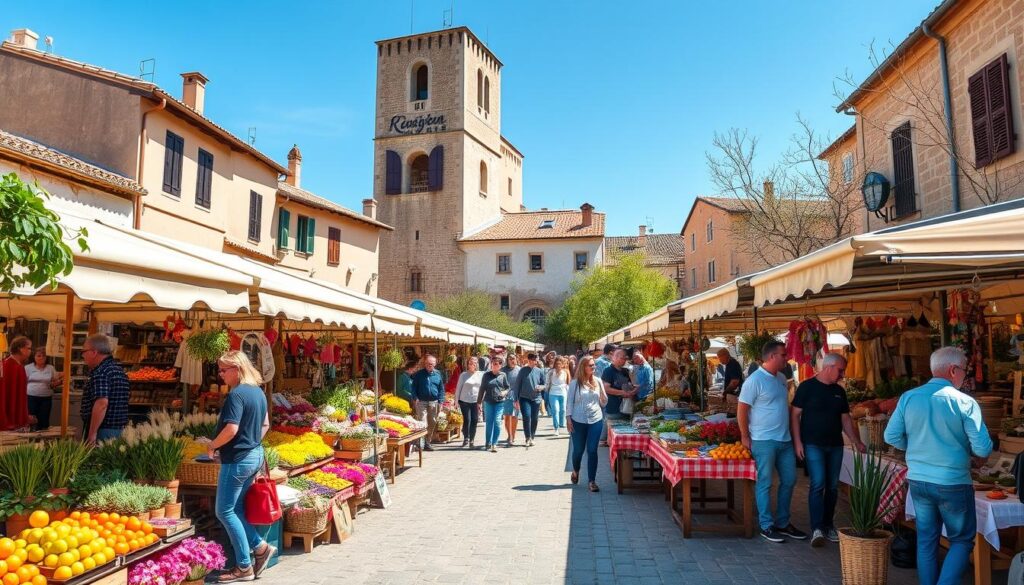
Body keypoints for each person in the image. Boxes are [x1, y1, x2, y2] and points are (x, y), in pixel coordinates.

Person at [884, 347, 992, 585]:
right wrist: (971, 455)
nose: (966, 376)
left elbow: (890, 437)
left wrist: (915, 447)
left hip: (919, 481)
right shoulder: (965, 401)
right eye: (965, 370)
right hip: (952, 482)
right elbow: (983, 449)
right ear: (953, 370)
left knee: (926, 540)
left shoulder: (909, 397)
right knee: (962, 541)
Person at [207, 350, 275, 582]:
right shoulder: (258, 392)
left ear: (237, 369)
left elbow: (231, 429)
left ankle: (244, 566)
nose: (220, 375)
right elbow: (265, 424)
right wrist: (252, 440)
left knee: (224, 511)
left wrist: (212, 446)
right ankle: (261, 548)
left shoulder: (236, 395)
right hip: (254, 454)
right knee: (235, 510)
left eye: (224, 370)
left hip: (237, 460)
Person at [791, 352, 865, 547]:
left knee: (832, 486)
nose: (842, 374)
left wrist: (856, 441)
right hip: (813, 444)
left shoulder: (839, 391)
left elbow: (845, 419)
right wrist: (797, 443)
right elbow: (795, 415)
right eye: (840, 370)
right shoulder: (806, 387)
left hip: (835, 445)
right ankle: (817, 527)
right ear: (829, 367)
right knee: (818, 483)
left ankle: (828, 524)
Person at [738, 340, 806, 543]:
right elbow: (742, 409)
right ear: (771, 357)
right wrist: (744, 436)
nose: (787, 358)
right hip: (763, 440)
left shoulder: (782, 379)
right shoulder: (754, 380)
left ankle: (783, 523)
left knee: (789, 480)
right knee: (765, 482)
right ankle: (766, 525)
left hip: (784, 439)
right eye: (783, 355)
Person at [567, 356, 608, 492]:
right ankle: (576, 471)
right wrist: (568, 419)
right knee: (578, 450)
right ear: (583, 367)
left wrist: (603, 397)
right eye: (590, 365)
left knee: (592, 450)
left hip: (595, 419)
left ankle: (592, 481)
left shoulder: (598, 381)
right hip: (578, 420)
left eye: (594, 365)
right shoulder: (575, 383)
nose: (593, 367)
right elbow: (569, 402)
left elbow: (603, 402)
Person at [81, 334, 129, 444]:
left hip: (102, 431)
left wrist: (92, 433)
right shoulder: (118, 370)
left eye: (84, 352)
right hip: (119, 430)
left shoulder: (101, 372)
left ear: (94, 352)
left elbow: (102, 403)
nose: (83, 356)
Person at [599, 348, 635, 446]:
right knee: (613, 435)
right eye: (621, 358)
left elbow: (629, 385)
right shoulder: (608, 371)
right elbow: (606, 389)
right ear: (614, 358)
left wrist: (632, 389)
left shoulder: (625, 371)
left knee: (624, 436)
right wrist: (623, 393)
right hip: (613, 408)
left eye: (625, 358)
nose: (624, 360)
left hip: (626, 408)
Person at [412, 355, 445, 451]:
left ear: (435, 364)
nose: (429, 365)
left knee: (432, 422)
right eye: (427, 364)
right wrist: (415, 398)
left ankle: (427, 442)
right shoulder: (419, 374)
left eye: (431, 364)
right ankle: (420, 443)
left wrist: (441, 401)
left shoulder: (438, 374)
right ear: (425, 364)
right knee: (422, 422)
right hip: (421, 401)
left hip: (434, 402)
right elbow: (413, 387)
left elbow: (441, 389)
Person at [478, 355, 511, 452]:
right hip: (488, 402)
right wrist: (478, 402)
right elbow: (482, 389)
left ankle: (494, 443)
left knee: (497, 422)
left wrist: (505, 392)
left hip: (499, 402)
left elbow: (508, 387)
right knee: (489, 423)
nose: (494, 365)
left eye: (497, 364)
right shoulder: (486, 375)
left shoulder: (503, 375)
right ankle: (488, 442)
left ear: (500, 365)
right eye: (493, 364)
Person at [1, 336, 33, 430]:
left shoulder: (6, 364)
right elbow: (18, 396)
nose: (30, 351)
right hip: (12, 420)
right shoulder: (16, 368)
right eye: (29, 348)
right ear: (21, 349)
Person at [25, 347, 60, 432]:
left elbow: (54, 383)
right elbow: (23, 383)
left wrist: (59, 381)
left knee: (44, 420)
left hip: (46, 398)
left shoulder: (50, 368)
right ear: (34, 357)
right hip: (31, 397)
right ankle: (31, 440)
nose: (41, 358)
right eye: (39, 356)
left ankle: (42, 441)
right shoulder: (28, 368)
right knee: (31, 420)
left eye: (43, 356)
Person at [515, 353, 545, 447]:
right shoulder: (523, 370)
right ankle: (527, 438)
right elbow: (517, 385)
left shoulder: (539, 371)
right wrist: (515, 399)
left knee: (535, 418)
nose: (534, 361)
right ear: (528, 360)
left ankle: (532, 436)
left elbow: (544, 384)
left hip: (536, 398)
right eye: (532, 360)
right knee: (527, 417)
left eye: (535, 360)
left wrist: (541, 388)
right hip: (524, 398)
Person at [454, 357, 484, 448]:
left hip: (475, 400)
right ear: (468, 364)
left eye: (474, 363)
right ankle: (466, 438)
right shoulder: (463, 375)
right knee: (467, 419)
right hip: (464, 400)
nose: (472, 365)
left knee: (474, 420)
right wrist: (456, 401)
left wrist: (481, 401)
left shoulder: (480, 374)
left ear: (477, 365)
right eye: (470, 363)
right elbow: (458, 388)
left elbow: (482, 389)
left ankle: (472, 440)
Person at [500, 353, 521, 447]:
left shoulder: (520, 370)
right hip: (506, 395)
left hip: (516, 396)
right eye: (510, 358)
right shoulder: (503, 370)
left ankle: (513, 435)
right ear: (507, 360)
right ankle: (509, 435)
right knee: (507, 416)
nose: (512, 360)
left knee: (515, 417)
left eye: (514, 358)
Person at [546, 356, 570, 436]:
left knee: (563, 410)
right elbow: (547, 383)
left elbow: (568, 384)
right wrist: (545, 390)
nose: (558, 365)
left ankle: (561, 424)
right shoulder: (551, 372)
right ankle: (556, 428)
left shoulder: (566, 372)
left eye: (560, 364)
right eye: (557, 364)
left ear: (563, 364)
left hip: (563, 393)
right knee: (555, 410)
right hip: (553, 393)